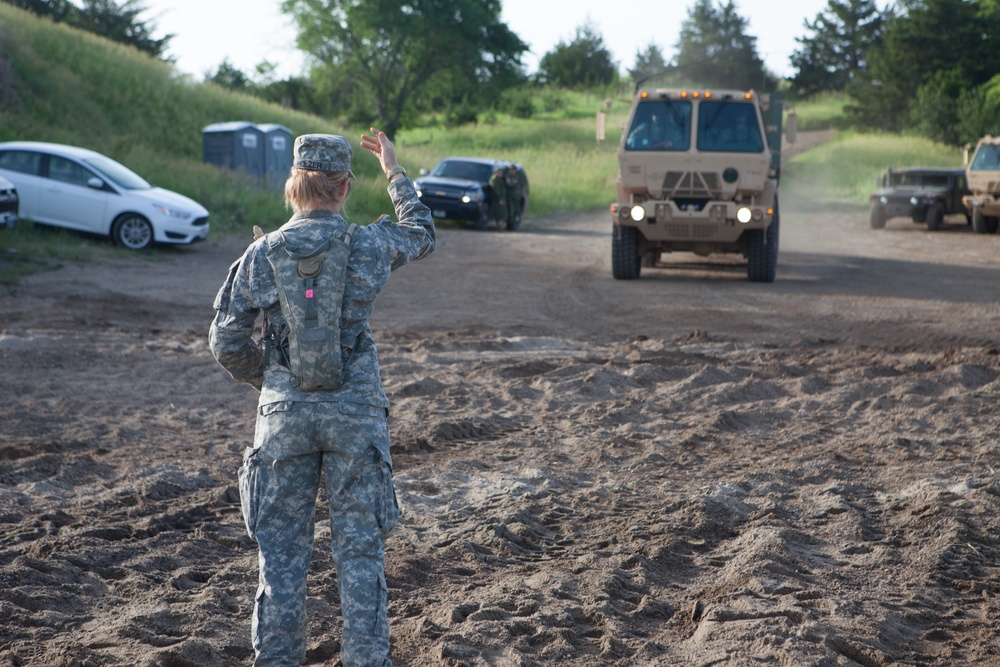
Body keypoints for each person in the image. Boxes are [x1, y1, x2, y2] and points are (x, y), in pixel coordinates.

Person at [209, 129, 436, 667]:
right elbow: (421, 233)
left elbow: (225, 340)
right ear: (344, 187)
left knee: (281, 559)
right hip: (355, 416)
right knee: (360, 554)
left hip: (283, 417)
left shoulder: (262, 254)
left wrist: (270, 381)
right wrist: (396, 172)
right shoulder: (368, 244)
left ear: (294, 186)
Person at [504, 164, 522, 230]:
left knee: (516, 212)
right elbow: (509, 184)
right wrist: (515, 183)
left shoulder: (517, 176)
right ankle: (510, 226)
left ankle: (514, 225)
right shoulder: (507, 176)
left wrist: (516, 183)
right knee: (510, 212)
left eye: (514, 170)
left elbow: (520, 184)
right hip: (510, 197)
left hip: (516, 197)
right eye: (511, 170)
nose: (513, 171)